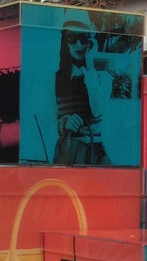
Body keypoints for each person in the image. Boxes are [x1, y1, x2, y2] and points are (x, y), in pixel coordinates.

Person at [53, 20, 110, 165]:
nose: (79, 44)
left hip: (95, 150)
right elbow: (43, 121)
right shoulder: (56, 78)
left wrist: (90, 68)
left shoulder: (100, 75)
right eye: (72, 38)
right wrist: (64, 123)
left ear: (90, 42)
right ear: (65, 42)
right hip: (69, 149)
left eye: (83, 38)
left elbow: (99, 111)